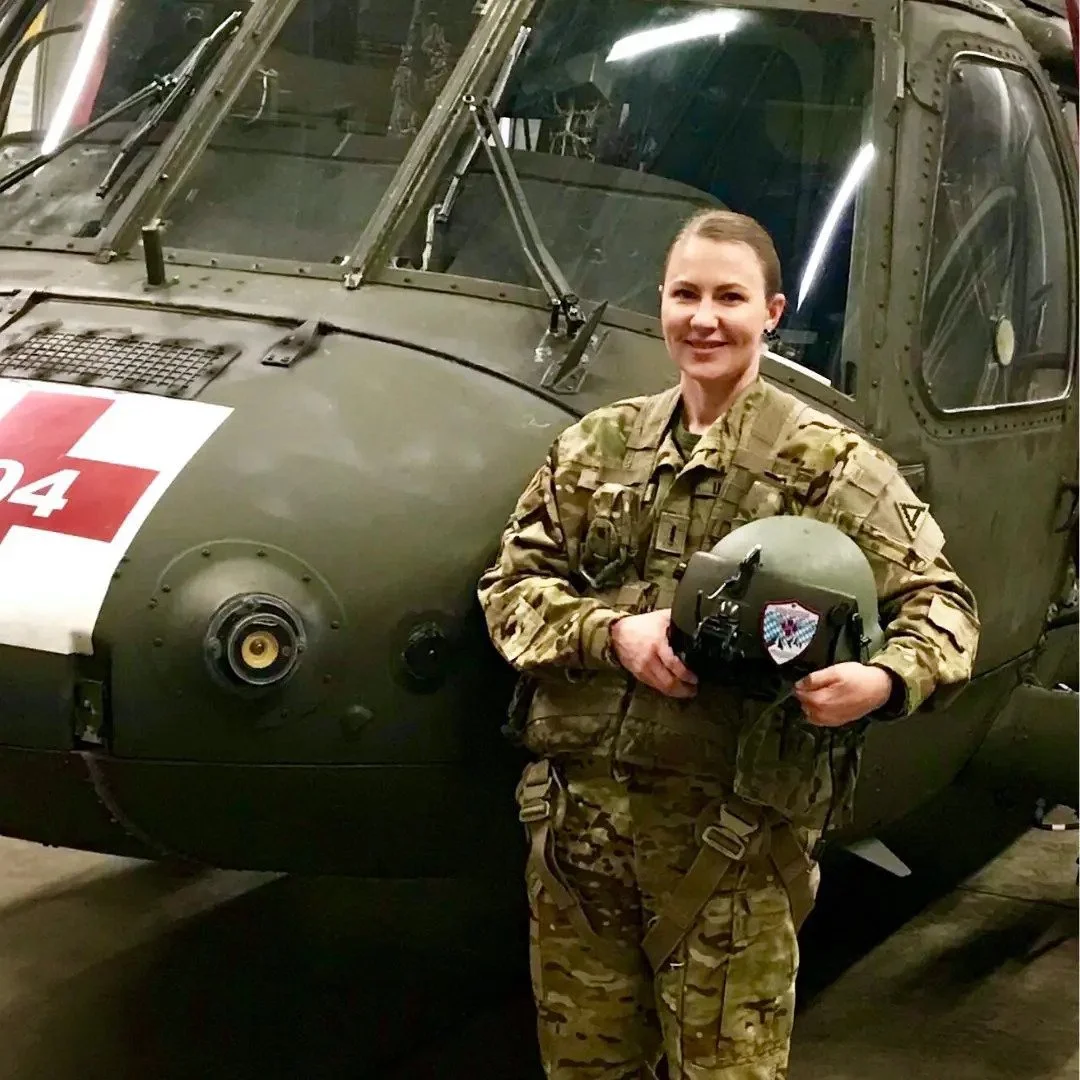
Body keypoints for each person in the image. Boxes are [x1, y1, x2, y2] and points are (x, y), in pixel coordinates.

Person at [477, 209, 980, 1079]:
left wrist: (881, 679)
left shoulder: (828, 465)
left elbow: (945, 607)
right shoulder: (595, 447)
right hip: (578, 841)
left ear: (772, 312)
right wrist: (611, 634)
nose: (704, 318)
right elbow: (510, 591)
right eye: (685, 295)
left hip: (731, 854)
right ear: (660, 306)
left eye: (729, 297)